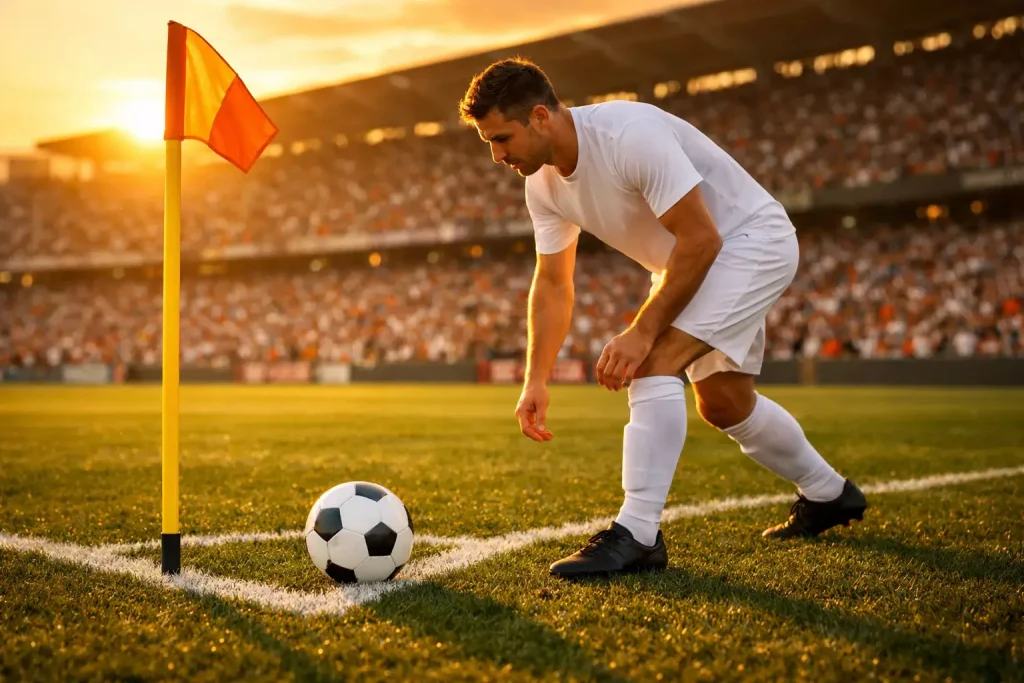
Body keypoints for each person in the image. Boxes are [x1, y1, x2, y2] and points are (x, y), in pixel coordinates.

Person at [458, 58, 868, 579]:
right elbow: (555, 284)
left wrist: (642, 330)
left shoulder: (630, 134)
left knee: (651, 362)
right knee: (724, 405)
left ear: (540, 116)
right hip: (691, 261)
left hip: (749, 244)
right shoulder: (540, 184)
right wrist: (536, 377)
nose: (497, 156)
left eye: (501, 139)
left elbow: (703, 238)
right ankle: (831, 494)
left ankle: (638, 534)